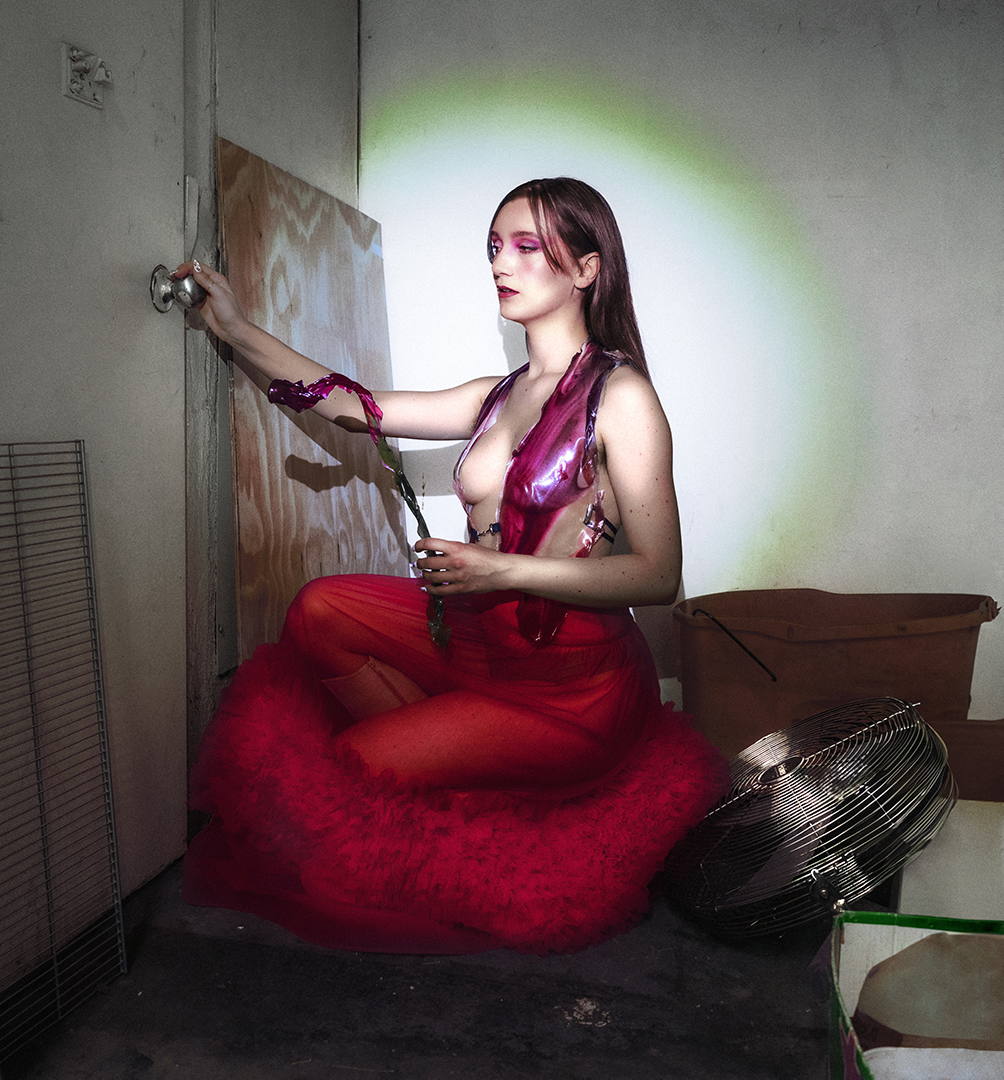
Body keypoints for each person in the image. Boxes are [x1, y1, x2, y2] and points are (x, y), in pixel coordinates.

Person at [179, 177, 727, 954]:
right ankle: (453, 752)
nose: (501, 264)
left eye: (528, 247)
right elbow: (354, 407)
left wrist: (501, 572)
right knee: (320, 610)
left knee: (353, 769)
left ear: (586, 268)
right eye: (495, 247)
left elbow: (657, 575)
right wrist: (237, 329)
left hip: (570, 685)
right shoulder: (496, 396)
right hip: (481, 638)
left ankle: (461, 768)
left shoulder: (622, 397)